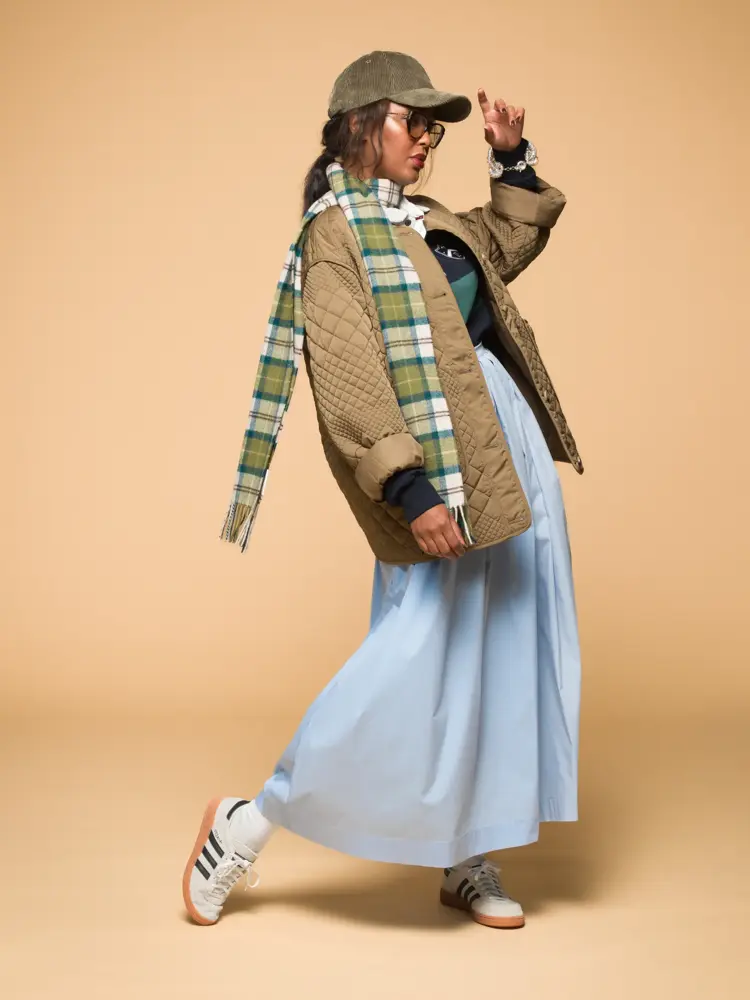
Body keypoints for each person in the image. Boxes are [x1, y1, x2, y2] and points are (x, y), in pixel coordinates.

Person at [184, 50, 584, 931]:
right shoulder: (335, 235)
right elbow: (350, 374)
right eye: (413, 123)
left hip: (502, 449)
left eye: (435, 129)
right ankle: (246, 824)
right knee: (417, 656)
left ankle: (465, 854)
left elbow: (507, 240)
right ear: (361, 125)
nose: (428, 141)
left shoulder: (426, 220)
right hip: (438, 464)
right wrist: (409, 489)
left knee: (503, 651)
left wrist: (510, 158)